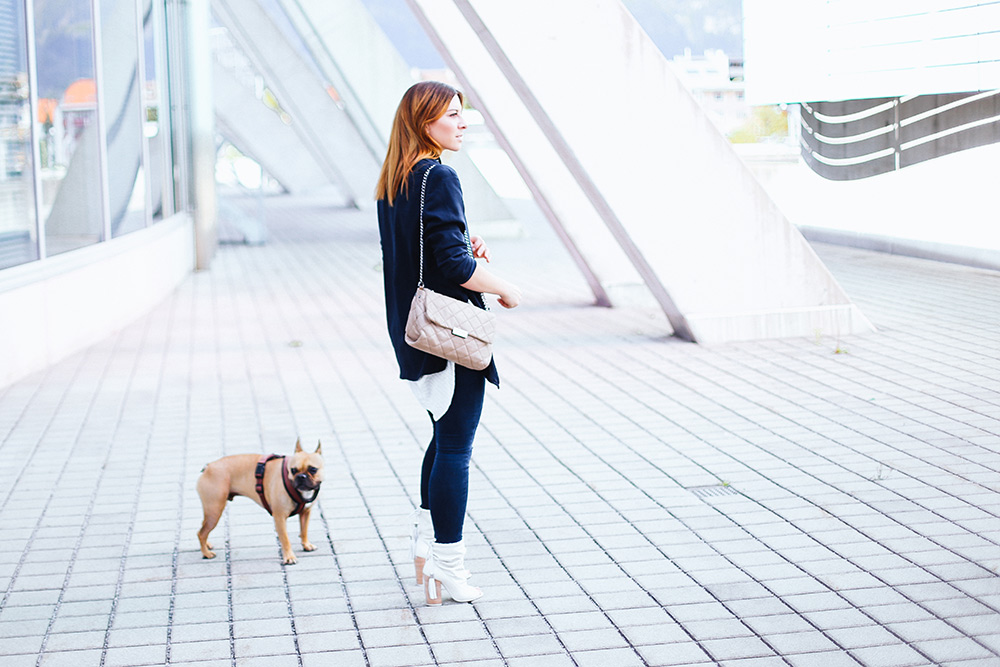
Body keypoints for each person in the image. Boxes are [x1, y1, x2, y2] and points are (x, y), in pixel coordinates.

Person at [375, 81, 521, 605]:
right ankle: (448, 564)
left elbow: (425, 252)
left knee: (441, 439)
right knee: (456, 447)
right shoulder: (439, 175)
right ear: (425, 121)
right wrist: (502, 284)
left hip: (414, 332)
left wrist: (464, 242)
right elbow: (456, 269)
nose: (463, 123)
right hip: (449, 336)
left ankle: (425, 546)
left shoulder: (395, 179)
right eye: (453, 115)